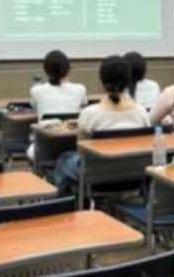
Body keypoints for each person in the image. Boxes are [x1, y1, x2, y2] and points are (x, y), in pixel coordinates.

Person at [52, 55, 150, 192]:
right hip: (134, 176)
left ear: (102, 81)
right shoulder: (142, 112)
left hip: (96, 177)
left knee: (64, 159)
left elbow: (81, 151)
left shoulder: (89, 113)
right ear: (128, 81)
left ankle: (67, 204)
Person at [30, 50, 87, 119]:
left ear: (45, 70)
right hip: (72, 129)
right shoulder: (80, 89)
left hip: (45, 129)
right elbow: (83, 105)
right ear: (68, 68)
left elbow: (34, 106)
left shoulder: (36, 90)